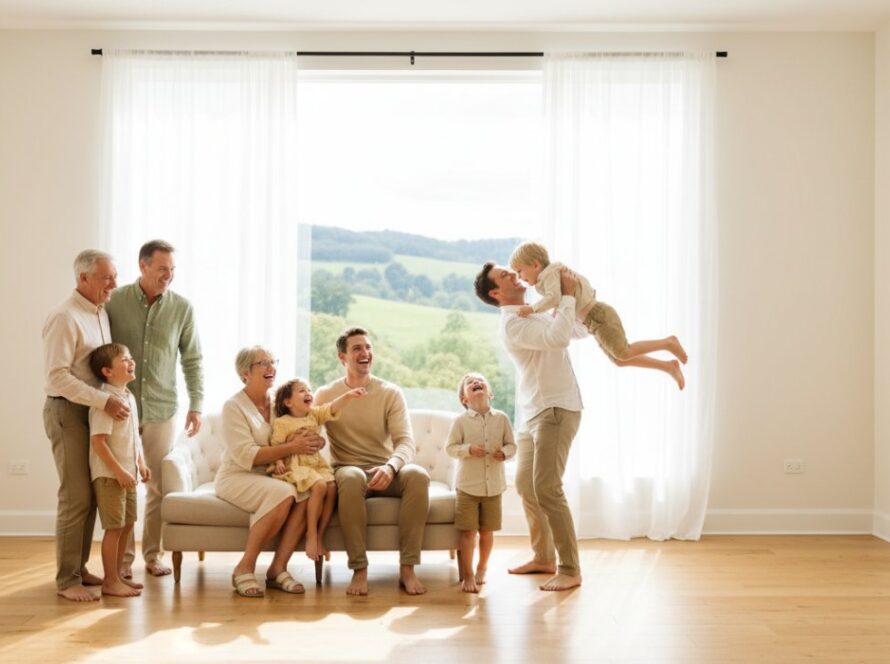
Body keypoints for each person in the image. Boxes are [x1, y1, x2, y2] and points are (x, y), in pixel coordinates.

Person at [474, 261, 585, 591]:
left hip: (557, 407)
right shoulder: (513, 323)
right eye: (504, 275)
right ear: (496, 292)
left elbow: (573, 332)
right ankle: (544, 557)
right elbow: (558, 337)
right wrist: (564, 299)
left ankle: (569, 568)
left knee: (548, 488)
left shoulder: (534, 310)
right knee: (525, 485)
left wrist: (573, 299)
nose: (513, 273)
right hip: (535, 411)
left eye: (510, 269)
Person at [105, 239, 204, 577]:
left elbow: (192, 359)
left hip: (162, 409)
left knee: (158, 485)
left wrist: (197, 404)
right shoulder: (114, 302)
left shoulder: (182, 308)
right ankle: (121, 561)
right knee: (122, 485)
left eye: (172, 270)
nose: (168, 276)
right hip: (119, 409)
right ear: (143, 266)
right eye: (162, 269)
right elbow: (99, 354)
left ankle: (152, 555)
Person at [315, 327, 430, 596]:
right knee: (352, 477)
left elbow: (405, 442)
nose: (365, 353)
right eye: (357, 348)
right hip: (348, 470)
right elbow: (308, 429)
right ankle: (359, 569)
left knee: (417, 475)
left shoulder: (390, 392)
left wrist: (391, 467)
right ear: (342, 356)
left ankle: (407, 568)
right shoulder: (326, 393)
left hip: (385, 470)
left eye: (368, 347)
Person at [43, 249, 131, 602]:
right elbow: (57, 377)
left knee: (91, 497)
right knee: (75, 497)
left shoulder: (99, 313)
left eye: (114, 276)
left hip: (91, 412)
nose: (114, 283)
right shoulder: (65, 317)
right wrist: (104, 401)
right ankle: (67, 580)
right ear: (83, 279)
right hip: (66, 412)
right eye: (107, 277)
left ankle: (78, 569)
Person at [216, 346, 324, 598]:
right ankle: (244, 567)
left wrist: (315, 441)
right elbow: (247, 455)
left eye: (272, 361)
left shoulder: (279, 401)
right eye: (262, 363)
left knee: (306, 491)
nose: (270, 367)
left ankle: (277, 569)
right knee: (285, 492)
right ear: (245, 373)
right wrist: (292, 446)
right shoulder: (233, 407)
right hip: (238, 475)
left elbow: (306, 422)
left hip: (276, 473)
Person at [509, 241, 687, 389]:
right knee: (620, 360)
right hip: (592, 322)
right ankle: (668, 366)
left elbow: (553, 297)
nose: (519, 277)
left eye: (520, 271)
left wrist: (531, 309)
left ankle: (668, 343)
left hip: (598, 316)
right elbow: (562, 299)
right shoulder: (550, 277)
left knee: (623, 353)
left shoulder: (549, 275)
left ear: (535, 264)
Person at [269, 378, 366, 561]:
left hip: (316, 464)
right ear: (288, 402)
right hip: (297, 466)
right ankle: (311, 534)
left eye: (309, 389)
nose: (308, 393)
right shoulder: (283, 422)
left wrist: (348, 395)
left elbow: (332, 408)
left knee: (331, 487)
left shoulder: (314, 414)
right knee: (320, 486)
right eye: (301, 390)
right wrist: (279, 462)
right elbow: (276, 445)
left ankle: (320, 535)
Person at [87, 343, 150, 598]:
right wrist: (120, 471)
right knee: (114, 527)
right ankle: (110, 581)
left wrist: (141, 463)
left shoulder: (129, 397)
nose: (131, 362)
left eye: (130, 357)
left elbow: (134, 435)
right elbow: (98, 441)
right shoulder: (106, 401)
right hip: (110, 475)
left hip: (128, 474)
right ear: (107, 371)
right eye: (125, 359)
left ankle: (118, 575)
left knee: (127, 524)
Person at [446, 372, 516, 593]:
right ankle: (467, 575)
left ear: (490, 393)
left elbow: (512, 445)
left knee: (487, 532)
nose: (476, 382)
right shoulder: (460, 422)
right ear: (464, 399)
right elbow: (450, 448)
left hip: (493, 486)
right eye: (469, 383)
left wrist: (504, 453)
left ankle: (482, 568)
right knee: (468, 532)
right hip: (467, 486)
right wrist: (468, 450)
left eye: (480, 380)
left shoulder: (502, 419)